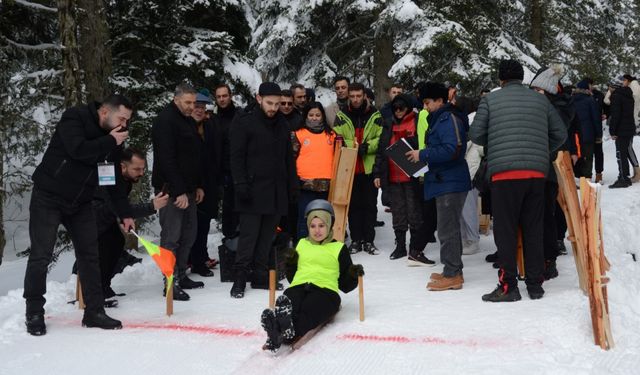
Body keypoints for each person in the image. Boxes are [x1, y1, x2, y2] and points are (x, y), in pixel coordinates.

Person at [24, 94, 133, 336]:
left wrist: (124, 213)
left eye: (127, 120)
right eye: (122, 118)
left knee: (90, 255)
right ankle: (34, 311)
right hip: (48, 196)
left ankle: (94, 311)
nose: (124, 124)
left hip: (81, 202)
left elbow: (112, 178)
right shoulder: (75, 117)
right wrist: (110, 141)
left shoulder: (113, 138)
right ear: (105, 112)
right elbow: (78, 150)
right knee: (41, 255)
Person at [470, 59, 566, 302]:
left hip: (504, 174)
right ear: (522, 78)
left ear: (500, 79)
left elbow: (476, 134)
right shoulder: (540, 100)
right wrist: (542, 151)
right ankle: (535, 284)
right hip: (536, 174)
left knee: (506, 231)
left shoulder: (490, 100)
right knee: (534, 228)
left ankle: (508, 286)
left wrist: (497, 140)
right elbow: (560, 134)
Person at [260, 200, 363, 352]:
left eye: (321, 225)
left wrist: (353, 275)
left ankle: (284, 330)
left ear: (329, 225)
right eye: (313, 226)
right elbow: (292, 277)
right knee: (289, 300)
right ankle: (282, 326)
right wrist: (290, 263)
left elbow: (345, 285)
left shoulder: (339, 248)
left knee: (311, 307)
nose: (317, 230)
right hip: (299, 285)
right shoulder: (302, 243)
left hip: (325, 290)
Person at [229, 82, 298, 298]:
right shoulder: (244, 122)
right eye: (270, 103)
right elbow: (236, 157)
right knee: (249, 236)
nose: (274, 108)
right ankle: (240, 277)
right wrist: (240, 183)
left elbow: (288, 159)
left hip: (276, 190)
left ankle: (260, 275)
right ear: (259, 99)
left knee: (267, 235)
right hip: (252, 188)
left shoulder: (282, 125)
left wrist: (291, 186)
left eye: (277, 104)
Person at [406, 82, 471, 291]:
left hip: (450, 182)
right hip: (444, 180)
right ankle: (452, 269)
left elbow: (453, 149)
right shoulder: (440, 118)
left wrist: (422, 154)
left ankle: (453, 274)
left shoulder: (447, 118)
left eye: (428, 102)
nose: (425, 107)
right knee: (447, 228)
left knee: (447, 229)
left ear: (440, 101)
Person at [91, 147, 169, 301]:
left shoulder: (125, 180)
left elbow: (119, 207)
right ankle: (94, 292)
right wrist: (151, 206)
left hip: (106, 217)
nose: (141, 173)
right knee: (103, 247)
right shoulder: (108, 176)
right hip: (90, 217)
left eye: (143, 169)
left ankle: (103, 287)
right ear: (123, 166)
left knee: (116, 241)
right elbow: (113, 206)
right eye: (137, 169)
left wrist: (122, 219)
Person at [152, 82, 205, 301]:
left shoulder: (187, 120)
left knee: (189, 234)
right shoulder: (165, 121)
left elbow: (194, 156)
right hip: (172, 190)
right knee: (171, 237)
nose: (192, 106)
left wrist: (198, 185)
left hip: (190, 189)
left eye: (194, 102)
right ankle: (169, 282)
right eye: (188, 102)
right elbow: (167, 159)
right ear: (176, 99)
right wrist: (179, 191)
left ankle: (182, 274)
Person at [333, 82, 383, 255]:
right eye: (352, 96)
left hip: (368, 166)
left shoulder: (375, 114)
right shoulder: (342, 115)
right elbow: (336, 137)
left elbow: (381, 137)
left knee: (370, 205)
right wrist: (354, 146)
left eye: (358, 96)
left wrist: (367, 147)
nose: (355, 99)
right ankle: (356, 239)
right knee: (353, 206)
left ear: (364, 96)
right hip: (350, 167)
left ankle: (369, 240)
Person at [373, 94, 423, 260]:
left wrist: (410, 140)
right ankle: (400, 246)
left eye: (402, 108)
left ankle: (415, 248)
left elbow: (423, 142)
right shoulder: (388, 123)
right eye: (395, 108)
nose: (399, 111)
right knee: (398, 213)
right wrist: (377, 173)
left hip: (411, 176)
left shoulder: (417, 120)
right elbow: (381, 150)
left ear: (408, 107)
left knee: (414, 212)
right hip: (393, 176)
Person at [292, 102, 336, 239]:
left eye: (318, 115)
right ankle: (303, 248)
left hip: (327, 185)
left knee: (324, 219)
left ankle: (323, 248)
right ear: (305, 116)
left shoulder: (332, 135)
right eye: (311, 115)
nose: (314, 118)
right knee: (305, 218)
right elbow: (290, 160)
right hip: (305, 185)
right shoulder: (298, 134)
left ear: (323, 116)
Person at [189, 91, 221, 277]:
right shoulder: (185, 127)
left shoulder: (209, 127)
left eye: (202, 107)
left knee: (203, 224)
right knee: (192, 225)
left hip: (209, 183)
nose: (199, 110)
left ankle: (200, 258)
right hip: (192, 183)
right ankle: (195, 260)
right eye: (196, 106)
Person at [215, 84, 240, 239]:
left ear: (230, 96)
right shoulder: (214, 119)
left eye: (225, 96)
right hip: (223, 171)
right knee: (228, 207)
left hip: (240, 169)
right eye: (219, 97)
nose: (222, 99)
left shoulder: (240, 116)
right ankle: (229, 239)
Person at [608, 76, 636, 188]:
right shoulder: (628, 95)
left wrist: (612, 131)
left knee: (620, 154)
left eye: (610, 86)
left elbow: (616, 115)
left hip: (621, 130)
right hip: (629, 128)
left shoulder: (616, 96)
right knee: (624, 153)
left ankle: (623, 178)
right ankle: (626, 177)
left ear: (614, 86)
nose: (609, 88)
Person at [572, 79, 602, 180]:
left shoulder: (571, 99)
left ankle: (578, 177)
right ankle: (587, 178)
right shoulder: (590, 100)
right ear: (586, 87)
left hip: (574, 134)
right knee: (588, 157)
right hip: (588, 133)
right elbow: (595, 119)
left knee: (577, 155)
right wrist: (598, 135)